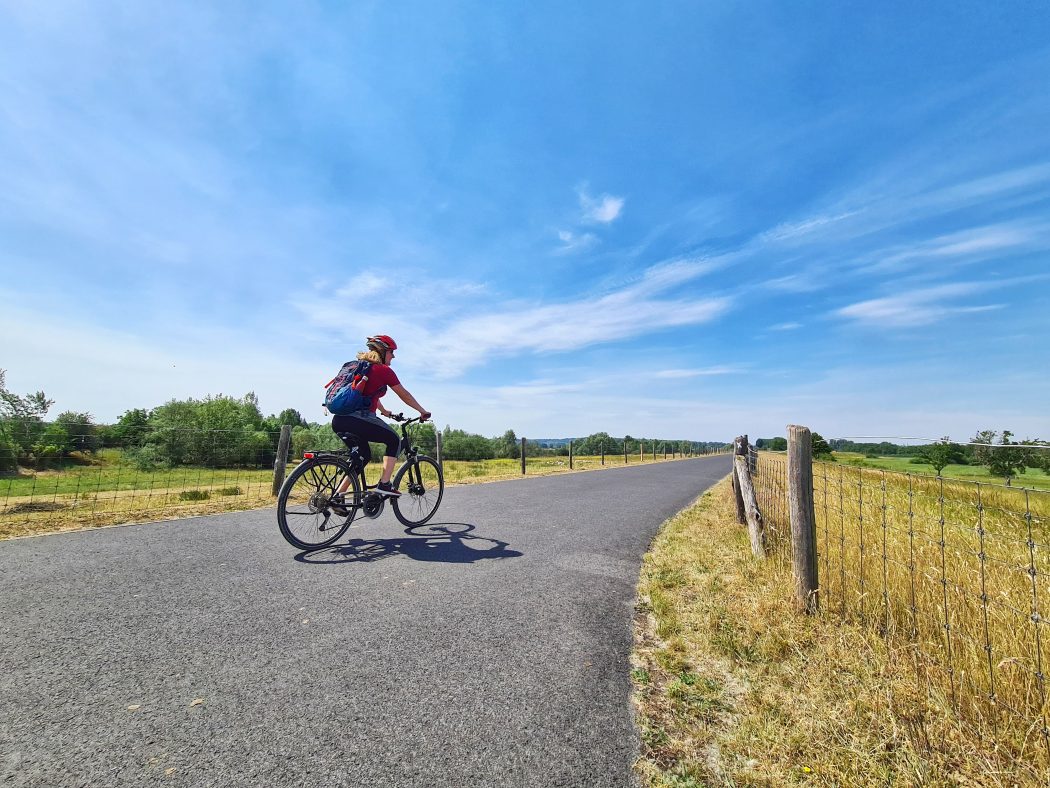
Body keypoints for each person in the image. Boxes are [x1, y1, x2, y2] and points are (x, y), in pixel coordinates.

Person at [330, 334, 431, 497]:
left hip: (339, 420)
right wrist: (422, 411)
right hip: (358, 420)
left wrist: (383, 411)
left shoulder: (358, 367)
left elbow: (363, 393)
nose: (393, 356)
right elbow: (404, 395)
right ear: (382, 351)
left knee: (363, 456)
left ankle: (338, 496)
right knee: (394, 440)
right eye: (391, 352)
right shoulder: (383, 370)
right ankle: (384, 484)